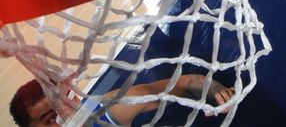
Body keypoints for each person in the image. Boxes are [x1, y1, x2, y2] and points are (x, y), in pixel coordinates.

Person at [9, 74, 234, 126]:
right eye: (51, 119)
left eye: (68, 101)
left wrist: (216, 90)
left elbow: (184, 84)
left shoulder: (111, 109)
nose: (67, 115)